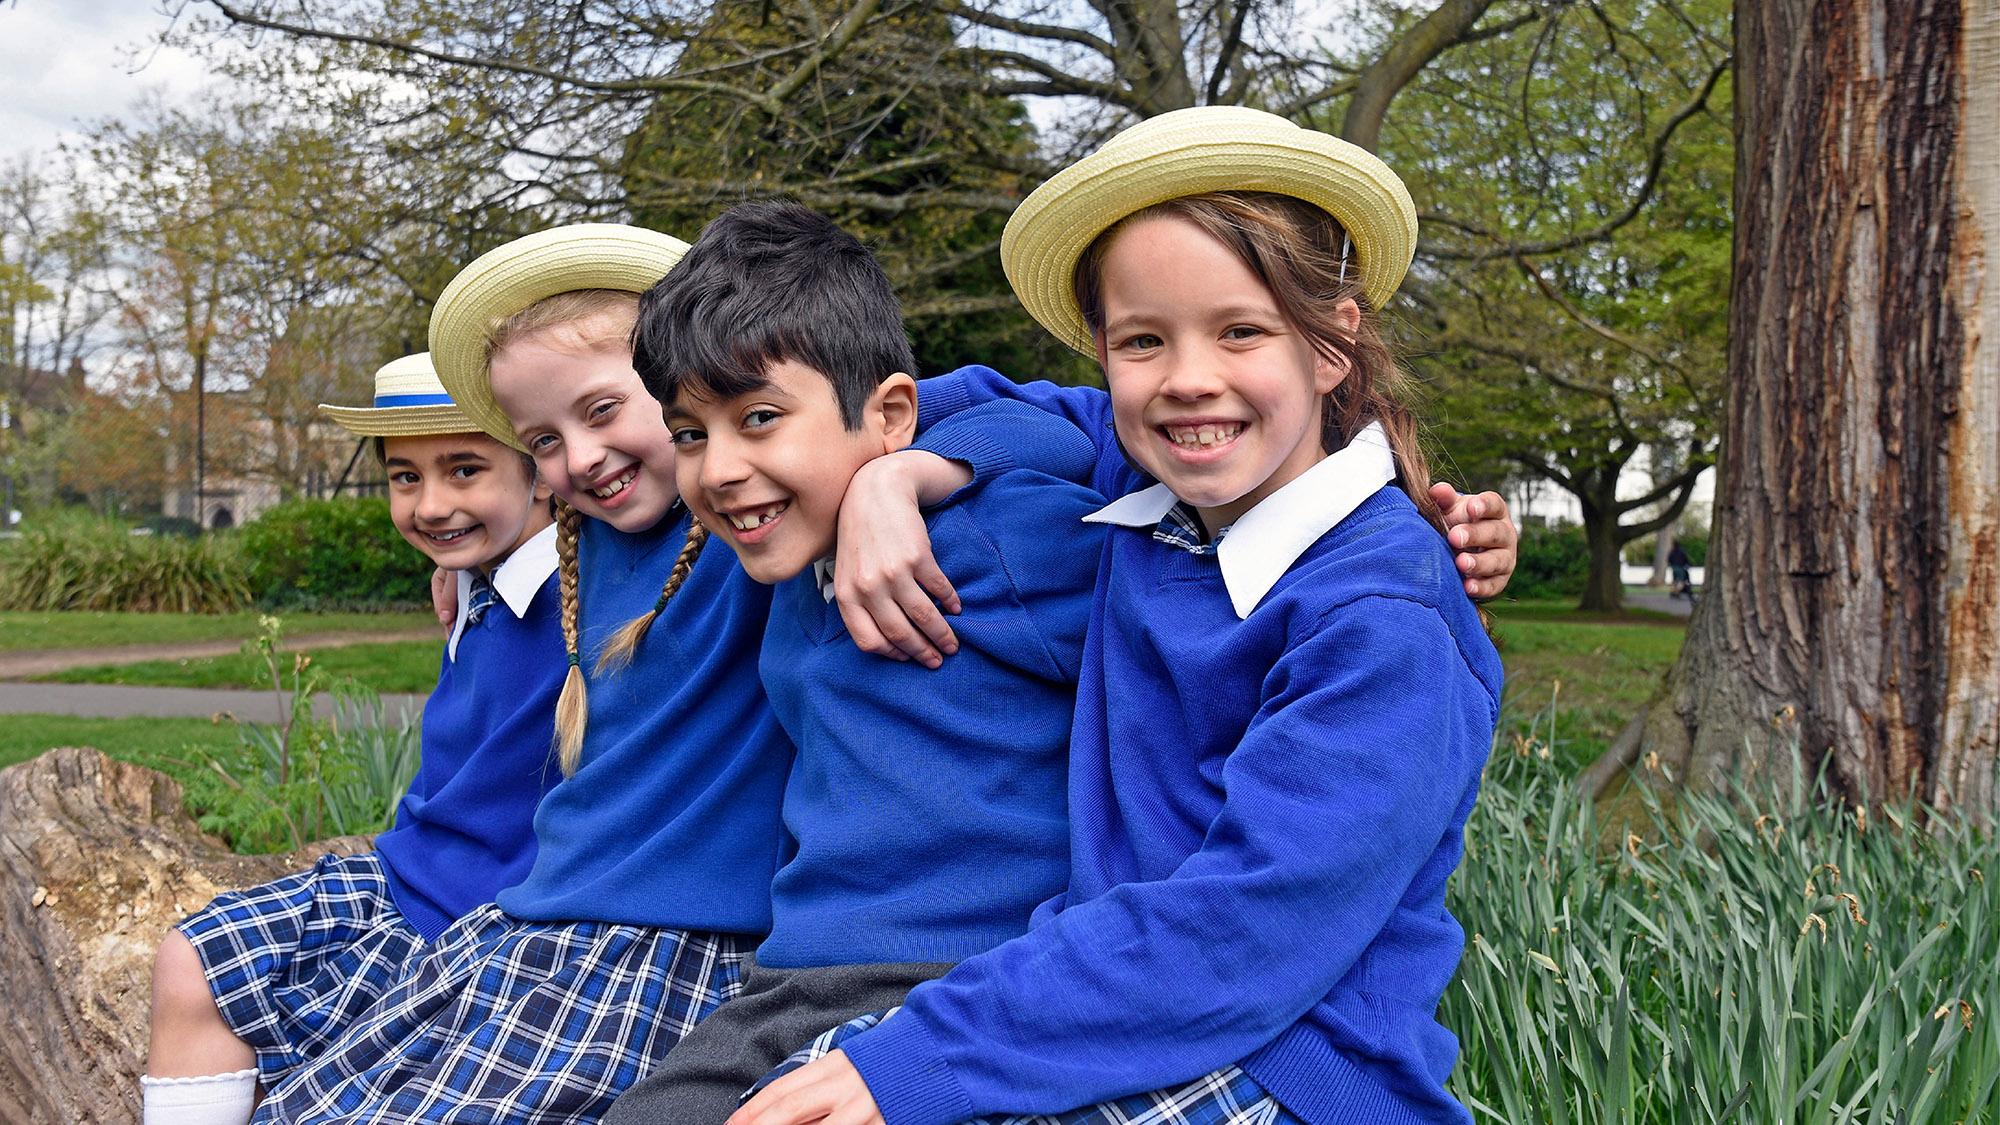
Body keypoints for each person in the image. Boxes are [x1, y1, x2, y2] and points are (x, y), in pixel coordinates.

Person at [736, 105, 1505, 1125]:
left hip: (1283, 1063)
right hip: (1100, 1003)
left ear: (1331, 345)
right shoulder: (1153, 476)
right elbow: (984, 402)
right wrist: (897, 478)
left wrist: (917, 1061)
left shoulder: (1381, 617)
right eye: (1143, 340)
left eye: (1241, 330)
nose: (1190, 379)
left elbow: (1244, 932)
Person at [242, 225, 794, 1125]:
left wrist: (903, 479)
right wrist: (466, 571)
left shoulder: (743, 528)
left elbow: (980, 409)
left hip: (660, 938)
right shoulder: (590, 549)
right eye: (542, 439)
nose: (578, 458)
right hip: (542, 919)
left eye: (605, 409)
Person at [602, 202, 1107, 1125]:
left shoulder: (988, 545)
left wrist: (904, 471)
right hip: (792, 977)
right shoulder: (780, 562)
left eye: (760, 417)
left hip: (957, 977)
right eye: (690, 433)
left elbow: (1090, 436)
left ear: (891, 416)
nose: (718, 469)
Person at [142, 353, 562, 1125]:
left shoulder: (590, 590)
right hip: (410, 876)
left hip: (494, 918)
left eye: (465, 469)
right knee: (192, 960)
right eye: (406, 477)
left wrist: (870, 482)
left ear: (542, 463)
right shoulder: (474, 578)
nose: (431, 504)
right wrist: (462, 571)